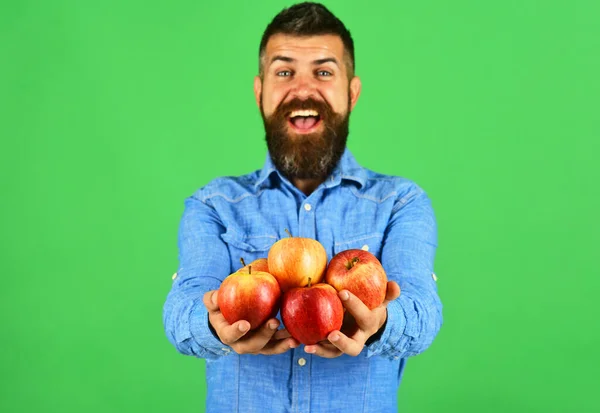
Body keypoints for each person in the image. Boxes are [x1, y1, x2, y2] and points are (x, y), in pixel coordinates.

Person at [163, 2, 443, 412]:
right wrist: (211, 324)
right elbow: (182, 309)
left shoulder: (400, 204)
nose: (304, 88)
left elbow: (422, 312)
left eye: (324, 72)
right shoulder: (214, 206)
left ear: (352, 92)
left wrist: (380, 322)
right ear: (260, 92)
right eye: (284, 71)